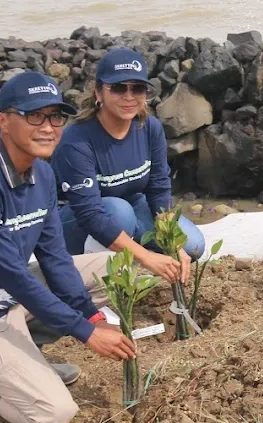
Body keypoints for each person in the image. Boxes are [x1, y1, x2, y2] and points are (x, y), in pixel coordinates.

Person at [0, 71, 137, 423]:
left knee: (121, 267)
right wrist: (84, 332)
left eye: (56, 116)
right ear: (2, 121)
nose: (48, 127)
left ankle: (25, 353)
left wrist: (90, 315)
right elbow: (15, 277)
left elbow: (53, 256)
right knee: (52, 414)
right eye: (34, 115)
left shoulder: (42, 174)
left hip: (12, 294)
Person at [53, 47, 204, 284]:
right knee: (118, 212)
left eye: (138, 88)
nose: (129, 96)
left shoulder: (150, 128)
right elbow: (90, 214)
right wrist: (146, 257)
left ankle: (129, 252)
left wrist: (171, 242)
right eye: (119, 87)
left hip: (131, 206)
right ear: (98, 92)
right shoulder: (76, 141)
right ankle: (94, 276)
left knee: (193, 246)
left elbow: (158, 188)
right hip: (77, 222)